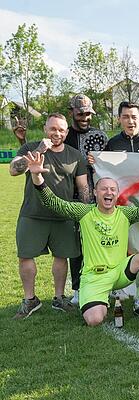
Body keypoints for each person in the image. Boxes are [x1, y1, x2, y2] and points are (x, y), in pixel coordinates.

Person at [24, 152, 139, 325]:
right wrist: (36, 175)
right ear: (95, 192)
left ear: (117, 194)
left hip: (119, 272)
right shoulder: (84, 212)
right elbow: (53, 202)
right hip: (95, 277)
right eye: (104, 189)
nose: (109, 192)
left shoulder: (125, 213)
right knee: (94, 320)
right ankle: (97, 299)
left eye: (113, 189)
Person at [9, 114, 89, 318]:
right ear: (45, 129)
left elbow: (83, 186)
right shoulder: (30, 149)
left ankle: (59, 298)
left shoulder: (75, 155)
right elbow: (13, 170)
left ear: (67, 132)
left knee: (61, 257)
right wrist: (38, 151)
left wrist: (86, 211)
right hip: (33, 213)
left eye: (61, 130)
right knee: (26, 255)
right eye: (53, 129)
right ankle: (30, 299)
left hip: (64, 216)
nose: (57, 133)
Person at [64, 95, 109, 306]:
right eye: (81, 113)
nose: (85, 118)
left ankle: (102, 285)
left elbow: (112, 165)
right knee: (76, 246)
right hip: (71, 199)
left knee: (98, 244)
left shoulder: (100, 136)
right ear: (72, 112)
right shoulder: (64, 136)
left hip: (98, 198)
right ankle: (77, 288)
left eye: (88, 114)